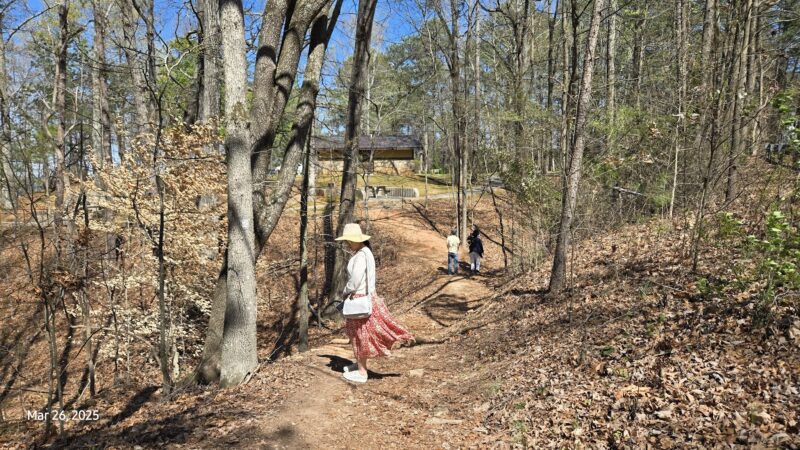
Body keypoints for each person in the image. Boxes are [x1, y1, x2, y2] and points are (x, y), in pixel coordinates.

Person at [335, 223, 414, 384]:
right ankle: (359, 365)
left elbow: (355, 280)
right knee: (359, 334)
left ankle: (362, 373)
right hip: (365, 298)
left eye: (349, 240)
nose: (348, 243)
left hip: (359, 299)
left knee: (360, 335)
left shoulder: (361, 255)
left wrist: (345, 291)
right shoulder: (365, 253)